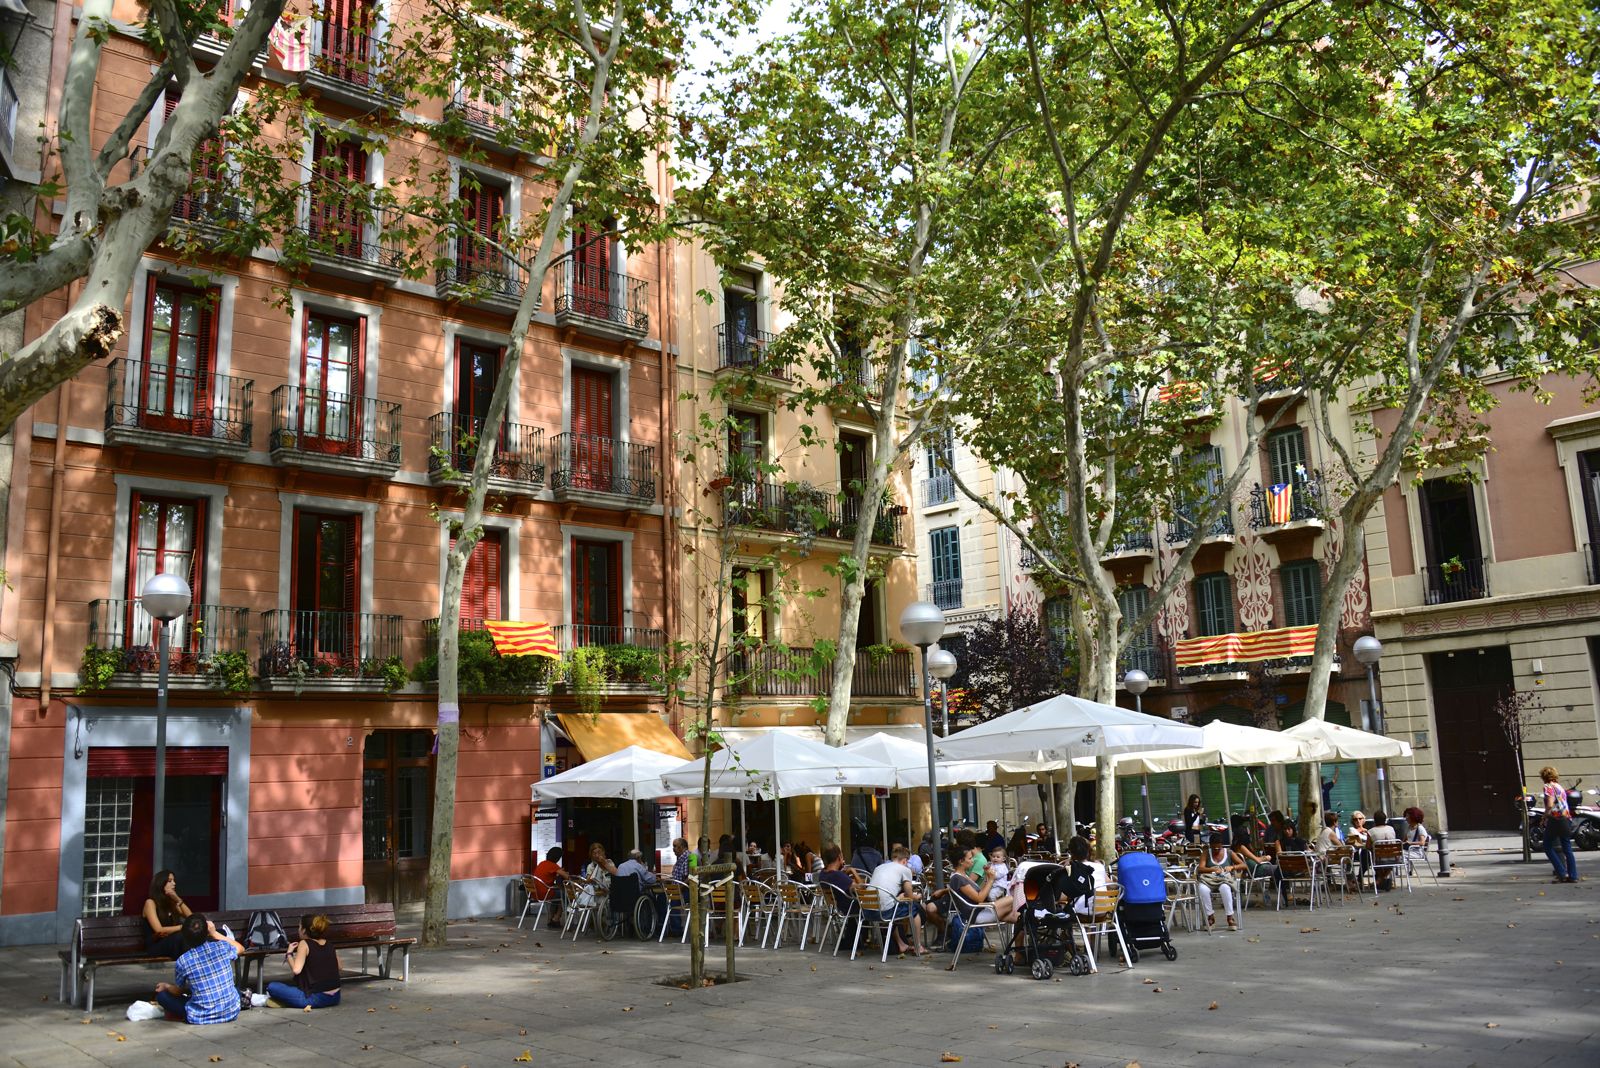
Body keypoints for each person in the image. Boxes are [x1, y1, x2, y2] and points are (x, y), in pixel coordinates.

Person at [154, 914, 243, 1024]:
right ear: (207, 932)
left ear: (184, 936)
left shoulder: (183, 961)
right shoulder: (222, 947)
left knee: (162, 996)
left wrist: (166, 986)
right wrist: (215, 933)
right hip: (231, 1011)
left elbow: (178, 991)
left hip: (200, 1016)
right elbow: (240, 948)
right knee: (236, 990)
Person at [266, 914, 341, 1010]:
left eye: (299, 927)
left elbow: (296, 970)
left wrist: (289, 954)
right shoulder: (329, 943)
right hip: (335, 997)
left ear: (304, 930)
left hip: (316, 998)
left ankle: (274, 1000)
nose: (298, 929)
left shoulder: (304, 943)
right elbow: (340, 966)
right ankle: (287, 1000)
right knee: (290, 988)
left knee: (272, 987)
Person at [867, 845, 927, 955]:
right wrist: (916, 897)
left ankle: (901, 944)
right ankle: (918, 946)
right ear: (905, 860)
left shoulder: (879, 868)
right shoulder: (905, 869)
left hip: (867, 911)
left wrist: (898, 898)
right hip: (884, 912)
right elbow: (909, 894)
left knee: (894, 906)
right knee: (914, 911)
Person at [942, 844, 1018, 930]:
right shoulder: (958, 879)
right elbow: (980, 898)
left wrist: (987, 877)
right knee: (1013, 899)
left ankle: (1028, 926)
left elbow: (979, 894)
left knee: (1017, 916)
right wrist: (991, 880)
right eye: (970, 858)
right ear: (961, 861)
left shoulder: (963, 876)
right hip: (976, 915)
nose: (973, 860)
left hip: (979, 910)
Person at [1540, 766, 1579, 883]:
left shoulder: (1548, 787)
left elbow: (1550, 805)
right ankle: (1573, 876)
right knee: (1567, 848)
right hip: (1566, 818)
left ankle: (1561, 873)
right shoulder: (1559, 787)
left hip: (1555, 819)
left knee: (1547, 846)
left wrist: (1544, 816)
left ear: (1544, 777)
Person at [1196, 832, 1242, 930]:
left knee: (1225, 888)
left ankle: (1230, 917)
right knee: (1202, 889)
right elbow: (1200, 868)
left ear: (1222, 845)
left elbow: (1243, 865)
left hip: (1223, 879)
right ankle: (1210, 916)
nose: (1216, 850)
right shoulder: (1206, 853)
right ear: (1210, 846)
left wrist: (1232, 867)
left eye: (1218, 848)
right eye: (1214, 848)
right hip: (1209, 880)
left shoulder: (1229, 852)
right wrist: (1213, 869)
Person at [142, 870, 192, 958]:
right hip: (156, 945)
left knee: (194, 936)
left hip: (173, 941)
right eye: (170, 881)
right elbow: (159, 930)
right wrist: (182, 927)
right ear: (160, 884)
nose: (174, 883)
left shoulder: (172, 903)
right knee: (181, 937)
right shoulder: (150, 903)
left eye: (174, 880)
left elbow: (191, 918)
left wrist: (178, 900)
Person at [817, 845, 862, 918]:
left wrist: (844, 874)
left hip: (836, 909)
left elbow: (840, 881)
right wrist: (853, 871)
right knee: (869, 907)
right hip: (849, 909)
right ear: (839, 857)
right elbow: (861, 888)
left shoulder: (822, 874)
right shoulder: (838, 875)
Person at [530, 847, 567, 928]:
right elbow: (566, 876)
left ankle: (551, 918)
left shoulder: (542, 863)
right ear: (557, 857)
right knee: (564, 895)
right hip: (545, 893)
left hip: (535, 893)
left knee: (557, 895)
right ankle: (556, 917)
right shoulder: (553, 865)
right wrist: (561, 872)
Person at [1367, 809, 1398, 891]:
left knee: (1372, 856)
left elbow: (1368, 846)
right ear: (1385, 819)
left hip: (1379, 859)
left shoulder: (1371, 831)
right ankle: (1382, 879)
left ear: (1374, 820)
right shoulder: (1391, 829)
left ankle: (1380, 879)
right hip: (1394, 858)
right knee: (1386, 858)